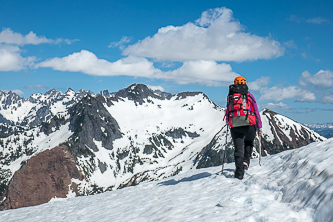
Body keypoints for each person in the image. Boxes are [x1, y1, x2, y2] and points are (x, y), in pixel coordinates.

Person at [224, 76, 262, 180]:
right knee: (249, 142)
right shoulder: (249, 96)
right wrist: (259, 127)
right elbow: (256, 111)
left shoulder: (231, 97)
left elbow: (228, 111)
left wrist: (229, 123)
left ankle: (239, 173)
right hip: (249, 124)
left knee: (238, 149)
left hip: (235, 125)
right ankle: (246, 161)